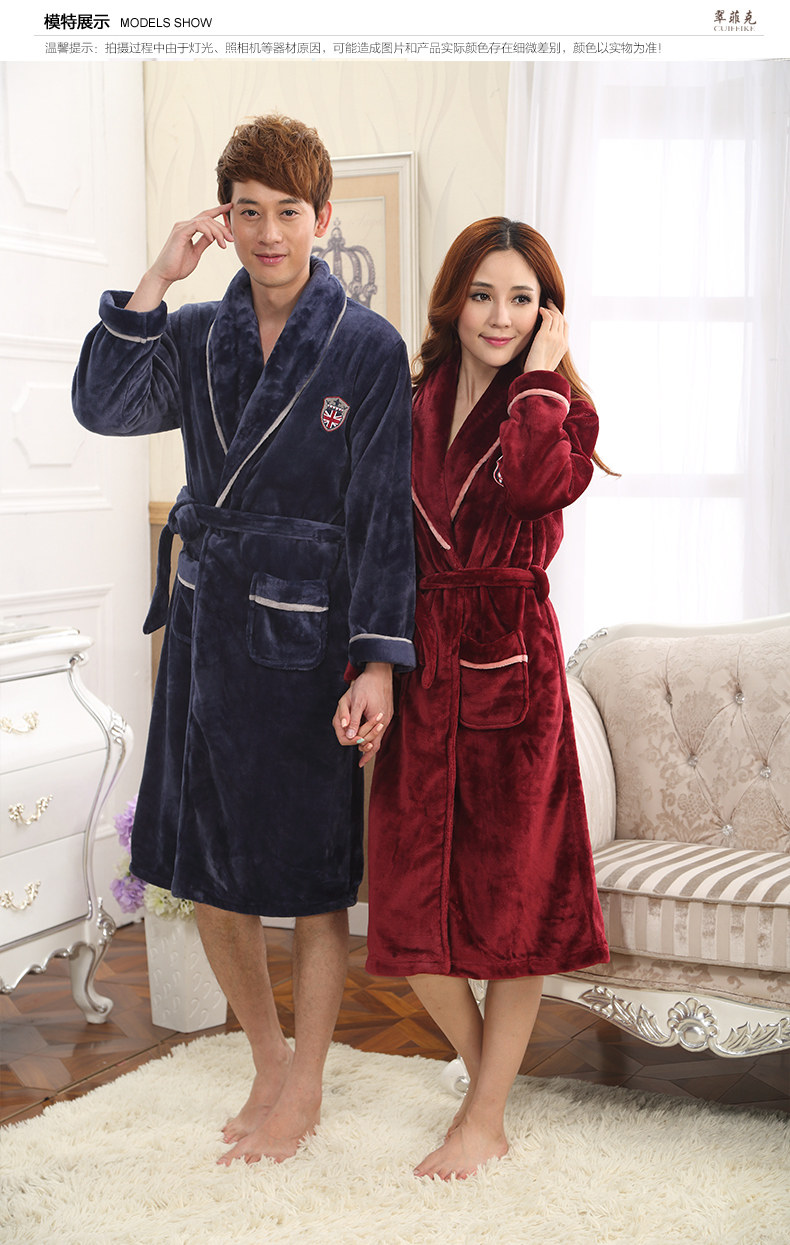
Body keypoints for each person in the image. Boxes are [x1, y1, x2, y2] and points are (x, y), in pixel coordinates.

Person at [72, 115, 416, 1165]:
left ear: (321, 217)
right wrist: (156, 276)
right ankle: (266, 1058)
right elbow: (101, 404)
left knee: (310, 880)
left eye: (288, 212)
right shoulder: (194, 332)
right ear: (225, 218)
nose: (269, 234)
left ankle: (306, 1081)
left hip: (307, 641)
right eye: (248, 212)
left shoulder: (367, 347)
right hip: (204, 629)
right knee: (203, 870)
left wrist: (376, 663)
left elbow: (382, 518)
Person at [336, 217, 611, 1180]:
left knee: (512, 912)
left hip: (511, 670)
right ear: (453, 300)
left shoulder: (563, 414)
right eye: (483, 294)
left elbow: (533, 488)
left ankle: (483, 1115)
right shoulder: (409, 401)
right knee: (408, 915)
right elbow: (373, 535)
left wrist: (539, 378)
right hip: (420, 668)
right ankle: (488, 1089)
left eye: (522, 299)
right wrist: (368, 662)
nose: (499, 315)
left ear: (547, 315)